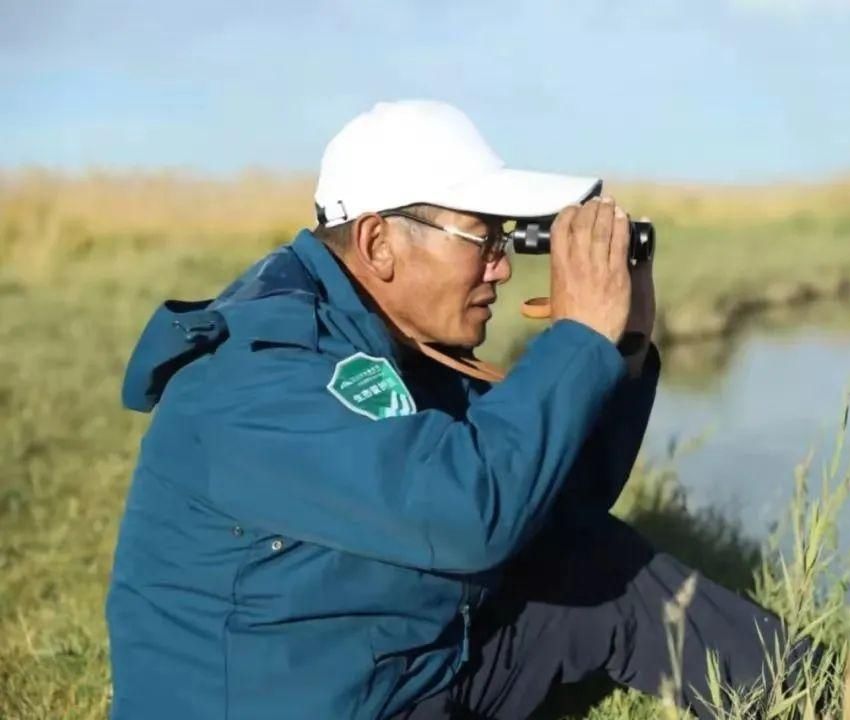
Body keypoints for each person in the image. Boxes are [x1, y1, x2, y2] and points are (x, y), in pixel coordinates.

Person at [105, 100, 812, 720]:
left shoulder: (384, 338)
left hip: (392, 675)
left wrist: (619, 347)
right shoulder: (259, 378)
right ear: (380, 242)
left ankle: (831, 700)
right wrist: (574, 342)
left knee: (597, 565)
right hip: (297, 701)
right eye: (484, 238)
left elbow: (552, 499)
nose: (502, 266)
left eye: (509, 240)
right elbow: (473, 517)